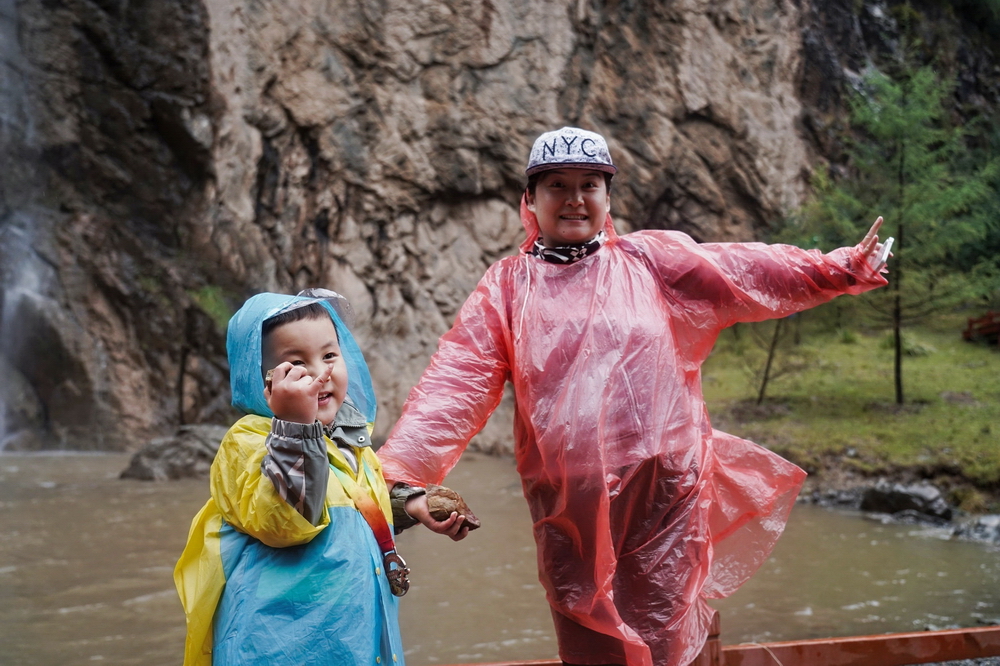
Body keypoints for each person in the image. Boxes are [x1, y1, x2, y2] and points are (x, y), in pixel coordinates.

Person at [378, 127, 890, 666]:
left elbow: (745, 270)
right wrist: (395, 476)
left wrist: (840, 268)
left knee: (664, 635)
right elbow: (458, 380)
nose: (574, 198)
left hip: (664, 491)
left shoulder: (648, 261)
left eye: (589, 185)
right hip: (569, 503)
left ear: (607, 196)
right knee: (587, 633)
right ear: (530, 199)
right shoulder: (507, 287)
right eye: (557, 185)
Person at [174, 289, 408, 666]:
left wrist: (410, 505)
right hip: (281, 651)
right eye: (297, 364)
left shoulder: (347, 439)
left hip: (355, 645)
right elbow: (284, 522)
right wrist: (296, 426)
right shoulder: (248, 443)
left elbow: (353, 502)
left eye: (329, 355)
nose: (321, 373)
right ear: (261, 380)